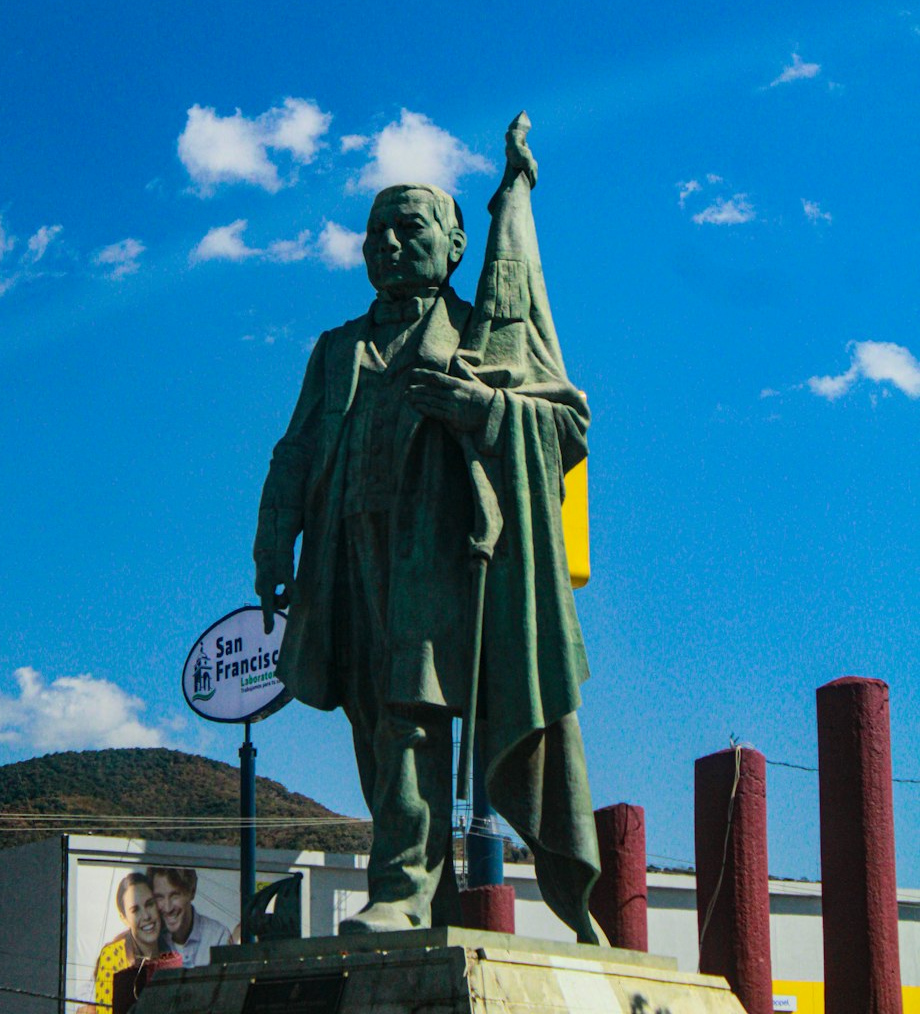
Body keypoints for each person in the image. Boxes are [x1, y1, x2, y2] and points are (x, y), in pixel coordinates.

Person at [254, 115, 600, 939]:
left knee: (411, 712)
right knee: (377, 723)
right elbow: (296, 449)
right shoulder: (337, 349)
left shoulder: (484, 334)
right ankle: (421, 899)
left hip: (443, 553)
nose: (387, 244)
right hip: (347, 554)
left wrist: (485, 408)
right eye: (375, 232)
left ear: (453, 245)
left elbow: (568, 422)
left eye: (409, 229)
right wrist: (275, 534)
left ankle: (403, 890)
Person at [91, 873, 167, 1012]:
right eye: (135, 910)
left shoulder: (173, 952)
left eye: (149, 904)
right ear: (124, 918)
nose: (146, 916)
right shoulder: (112, 957)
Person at [146, 866, 233, 967]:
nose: (168, 908)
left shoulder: (218, 937)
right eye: (159, 897)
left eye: (175, 895)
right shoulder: (152, 938)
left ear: (192, 891)